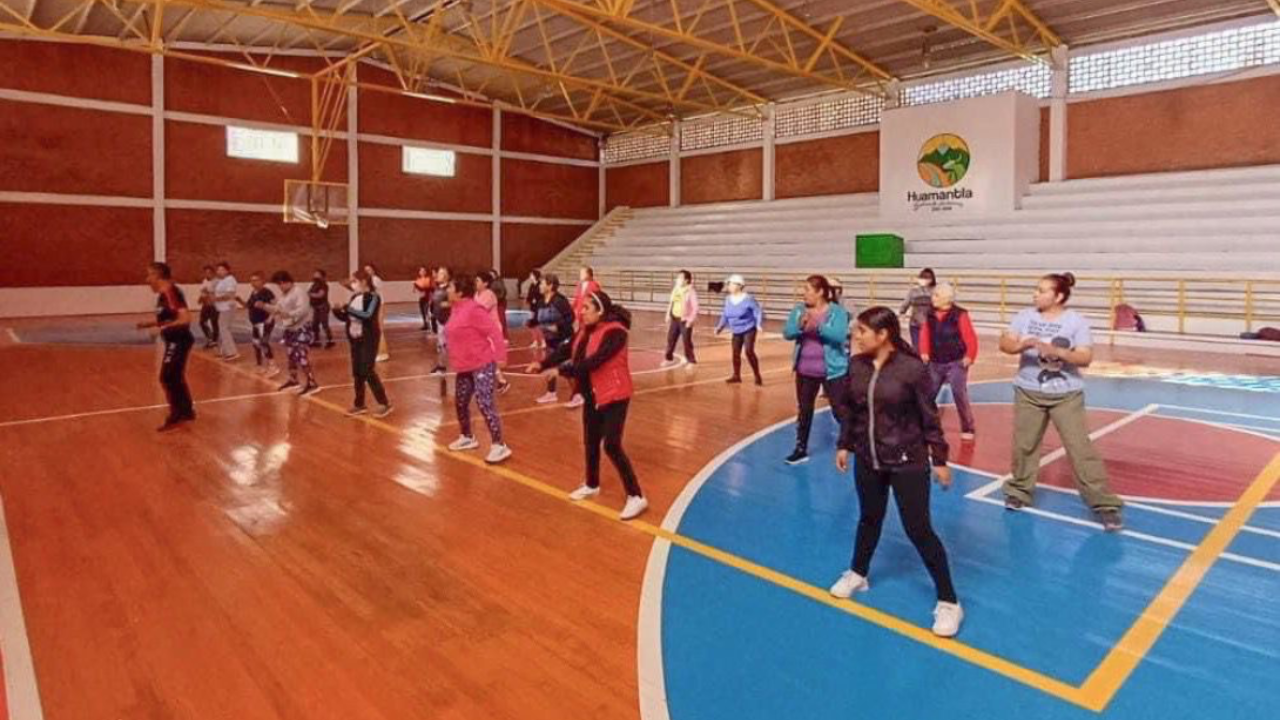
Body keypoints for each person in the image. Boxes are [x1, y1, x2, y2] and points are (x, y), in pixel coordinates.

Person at [830, 306, 962, 638]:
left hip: (908, 461)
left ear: (883, 334)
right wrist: (845, 444)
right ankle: (858, 573)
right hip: (868, 458)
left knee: (918, 529)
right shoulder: (857, 365)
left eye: (860, 331)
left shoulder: (912, 369)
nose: (854, 336)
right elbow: (851, 411)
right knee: (868, 518)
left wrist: (940, 459)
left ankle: (949, 601)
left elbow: (929, 418)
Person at [999, 272, 1124, 531]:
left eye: (1042, 290)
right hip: (1028, 391)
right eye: (1036, 289)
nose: (1036, 294)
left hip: (1066, 395)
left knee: (1080, 449)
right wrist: (1023, 346)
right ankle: (1019, 491)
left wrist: (1056, 351)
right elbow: (1005, 343)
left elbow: (1085, 357)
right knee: (1025, 445)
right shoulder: (1025, 316)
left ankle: (1104, 504)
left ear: (1059, 296)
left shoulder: (1076, 321)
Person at [530, 291, 647, 521]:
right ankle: (592, 483)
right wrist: (542, 363)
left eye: (586, 308)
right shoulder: (584, 330)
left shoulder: (616, 333)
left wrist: (561, 370)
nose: (580, 312)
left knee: (612, 445)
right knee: (591, 441)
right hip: (592, 394)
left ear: (599, 310)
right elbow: (567, 350)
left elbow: (594, 362)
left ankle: (636, 496)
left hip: (615, 395)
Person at [781, 275, 851, 465]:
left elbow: (839, 336)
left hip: (833, 370)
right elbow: (787, 333)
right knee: (804, 410)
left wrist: (818, 327)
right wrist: (800, 327)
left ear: (820, 292)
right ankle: (800, 447)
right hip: (805, 370)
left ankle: (849, 441)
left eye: (807, 289)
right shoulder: (798, 310)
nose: (804, 294)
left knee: (839, 410)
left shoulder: (837, 312)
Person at [443, 273, 512, 464]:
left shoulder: (474, 309)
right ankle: (467, 437)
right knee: (460, 402)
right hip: (464, 366)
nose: (446, 290)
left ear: (459, 292)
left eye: (450, 287)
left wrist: (500, 357)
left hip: (482, 363)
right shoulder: (455, 309)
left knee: (484, 403)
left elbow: (494, 332)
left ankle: (499, 445)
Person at [137, 262, 196, 431]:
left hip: (180, 340)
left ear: (158, 276)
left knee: (167, 376)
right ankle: (186, 411)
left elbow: (185, 318)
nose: (147, 279)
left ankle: (177, 414)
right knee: (175, 376)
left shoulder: (171, 293)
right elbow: (170, 317)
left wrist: (161, 328)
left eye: (149, 275)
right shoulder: (163, 295)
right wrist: (149, 323)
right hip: (174, 341)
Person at [918, 283, 978, 441]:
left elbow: (970, 337)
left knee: (959, 394)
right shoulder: (929, 314)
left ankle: (968, 427)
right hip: (935, 362)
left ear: (946, 299)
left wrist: (969, 356)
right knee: (928, 394)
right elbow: (924, 335)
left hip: (956, 362)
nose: (932, 298)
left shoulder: (960, 314)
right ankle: (925, 424)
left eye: (936, 295)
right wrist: (924, 352)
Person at [333, 270, 392, 418]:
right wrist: (337, 311)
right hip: (355, 339)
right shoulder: (355, 297)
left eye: (354, 281)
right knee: (357, 372)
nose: (352, 284)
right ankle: (359, 404)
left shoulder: (373, 298)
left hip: (368, 339)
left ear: (363, 282)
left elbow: (367, 315)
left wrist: (348, 309)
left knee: (367, 370)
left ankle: (384, 403)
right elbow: (347, 317)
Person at [261, 271, 320, 396]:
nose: (280, 287)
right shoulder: (284, 295)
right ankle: (294, 380)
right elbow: (278, 309)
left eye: (281, 284)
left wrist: (288, 315)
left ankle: (312, 382)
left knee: (301, 355)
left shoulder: (299, 292)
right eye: (278, 285)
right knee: (291, 354)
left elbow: (302, 310)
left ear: (287, 282)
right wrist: (265, 307)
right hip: (290, 328)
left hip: (302, 328)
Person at [530, 273, 576, 405]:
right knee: (550, 365)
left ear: (550, 286)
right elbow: (538, 319)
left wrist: (558, 326)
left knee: (567, 368)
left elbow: (571, 318)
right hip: (550, 340)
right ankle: (551, 393)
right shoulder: (540, 302)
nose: (540, 286)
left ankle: (578, 394)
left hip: (564, 339)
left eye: (543, 283)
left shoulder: (560, 301)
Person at [714, 274, 763, 385]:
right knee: (735, 353)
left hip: (748, 328)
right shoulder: (728, 299)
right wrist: (719, 327)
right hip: (736, 330)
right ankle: (736, 376)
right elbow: (725, 314)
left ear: (739, 286)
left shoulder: (748, 299)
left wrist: (759, 324)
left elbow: (757, 311)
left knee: (749, 351)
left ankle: (757, 375)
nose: (728, 286)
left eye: (730, 284)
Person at [475, 272, 512, 394]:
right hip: (483, 330)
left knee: (488, 357)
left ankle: (490, 382)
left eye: (478, 280)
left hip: (492, 331)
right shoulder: (476, 294)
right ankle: (501, 381)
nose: (476, 283)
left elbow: (479, 311)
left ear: (485, 283)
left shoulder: (489, 295)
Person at [237, 272, 279, 377]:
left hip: (264, 322)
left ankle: (273, 366)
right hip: (255, 323)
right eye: (251, 280)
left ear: (262, 281)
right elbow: (248, 306)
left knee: (264, 342)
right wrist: (239, 300)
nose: (253, 282)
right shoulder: (253, 293)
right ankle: (259, 365)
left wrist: (270, 317)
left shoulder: (266, 292)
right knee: (256, 343)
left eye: (256, 280)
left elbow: (275, 306)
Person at [662, 269, 699, 368]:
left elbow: (695, 307)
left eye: (680, 278)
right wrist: (668, 314)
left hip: (685, 320)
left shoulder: (690, 291)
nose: (677, 279)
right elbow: (672, 302)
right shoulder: (676, 289)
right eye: (677, 278)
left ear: (686, 280)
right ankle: (668, 358)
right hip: (675, 318)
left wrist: (690, 320)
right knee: (671, 339)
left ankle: (691, 360)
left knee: (686, 341)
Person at [900, 268, 937, 349]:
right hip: (927, 323)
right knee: (929, 347)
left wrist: (902, 312)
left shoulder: (913, 292)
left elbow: (905, 305)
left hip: (916, 322)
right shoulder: (936, 292)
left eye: (925, 277)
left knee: (917, 347)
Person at [212, 261, 240, 360]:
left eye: (222, 269)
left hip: (228, 307)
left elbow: (230, 295)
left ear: (227, 270)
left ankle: (232, 352)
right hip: (222, 308)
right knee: (224, 329)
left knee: (224, 328)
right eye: (218, 270)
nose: (219, 271)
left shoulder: (230, 280)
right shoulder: (222, 281)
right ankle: (225, 351)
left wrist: (216, 299)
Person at [363, 263, 390, 362]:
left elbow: (373, 292)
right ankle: (376, 351)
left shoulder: (375, 280)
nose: (367, 272)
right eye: (366, 270)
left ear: (373, 270)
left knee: (379, 328)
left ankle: (382, 352)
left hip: (379, 306)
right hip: (374, 306)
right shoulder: (370, 280)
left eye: (369, 269)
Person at [429, 267, 452, 375]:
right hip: (440, 320)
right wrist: (432, 311)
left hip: (448, 321)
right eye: (438, 273)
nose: (438, 275)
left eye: (441, 273)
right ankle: (441, 366)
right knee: (441, 345)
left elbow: (455, 302)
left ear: (447, 276)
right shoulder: (437, 288)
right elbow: (434, 301)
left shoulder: (450, 288)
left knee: (447, 345)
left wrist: (446, 305)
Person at [309, 269, 334, 349]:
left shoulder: (323, 284)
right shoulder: (314, 284)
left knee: (324, 324)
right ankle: (316, 341)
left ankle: (330, 341)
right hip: (316, 307)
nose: (314, 275)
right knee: (314, 325)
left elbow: (321, 295)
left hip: (323, 306)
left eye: (316, 274)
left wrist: (311, 294)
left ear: (321, 275)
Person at [197, 265, 219, 349]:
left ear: (212, 273)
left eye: (209, 272)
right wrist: (200, 299)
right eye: (205, 272)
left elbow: (217, 294)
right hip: (206, 305)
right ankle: (209, 338)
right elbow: (203, 292)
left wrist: (209, 293)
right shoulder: (204, 281)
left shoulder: (217, 282)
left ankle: (214, 341)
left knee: (214, 323)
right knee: (202, 322)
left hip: (214, 305)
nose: (207, 274)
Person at [524, 269, 544, 350]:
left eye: (531, 275)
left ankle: (543, 341)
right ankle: (535, 341)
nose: (530, 277)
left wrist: (536, 299)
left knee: (538, 325)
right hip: (532, 307)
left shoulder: (540, 285)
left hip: (539, 308)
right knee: (531, 325)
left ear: (535, 276)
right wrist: (528, 300)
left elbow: (542, 295)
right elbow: (529, 295)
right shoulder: (531, 285)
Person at [489, 269, 510, 342]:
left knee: (501, 320)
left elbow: (502, 293)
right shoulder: (491, 283)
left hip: (500, 303)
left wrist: (495, 298)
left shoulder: (499, 282)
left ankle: (504, 336)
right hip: (495, 304)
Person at [414, 267, 435, 332]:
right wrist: (417, 289)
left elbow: (432, 288)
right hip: (421, 298)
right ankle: (425, 324)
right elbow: (415, 290)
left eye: (423, 271)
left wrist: (425, 289)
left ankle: (429, 324)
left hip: (427, 297)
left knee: (427, 311)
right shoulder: (417, 279)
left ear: (426, 272)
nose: (422, 272)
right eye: (421, 271)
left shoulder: (429, 279)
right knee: (422, 311)